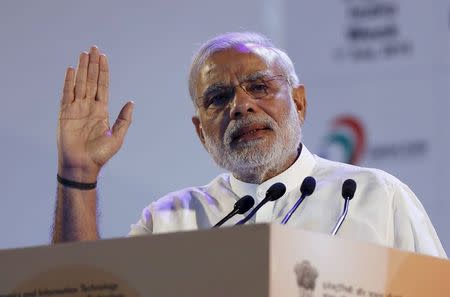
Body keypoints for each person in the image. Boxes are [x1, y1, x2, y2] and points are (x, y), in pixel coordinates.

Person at [52, 32, 447, 258]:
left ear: (299, 102)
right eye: (218, 97)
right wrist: (77, 176)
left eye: (259, 86)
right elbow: (81, 287)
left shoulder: (376, 198)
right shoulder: (170, 221)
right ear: (200, 131)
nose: (240, 106)